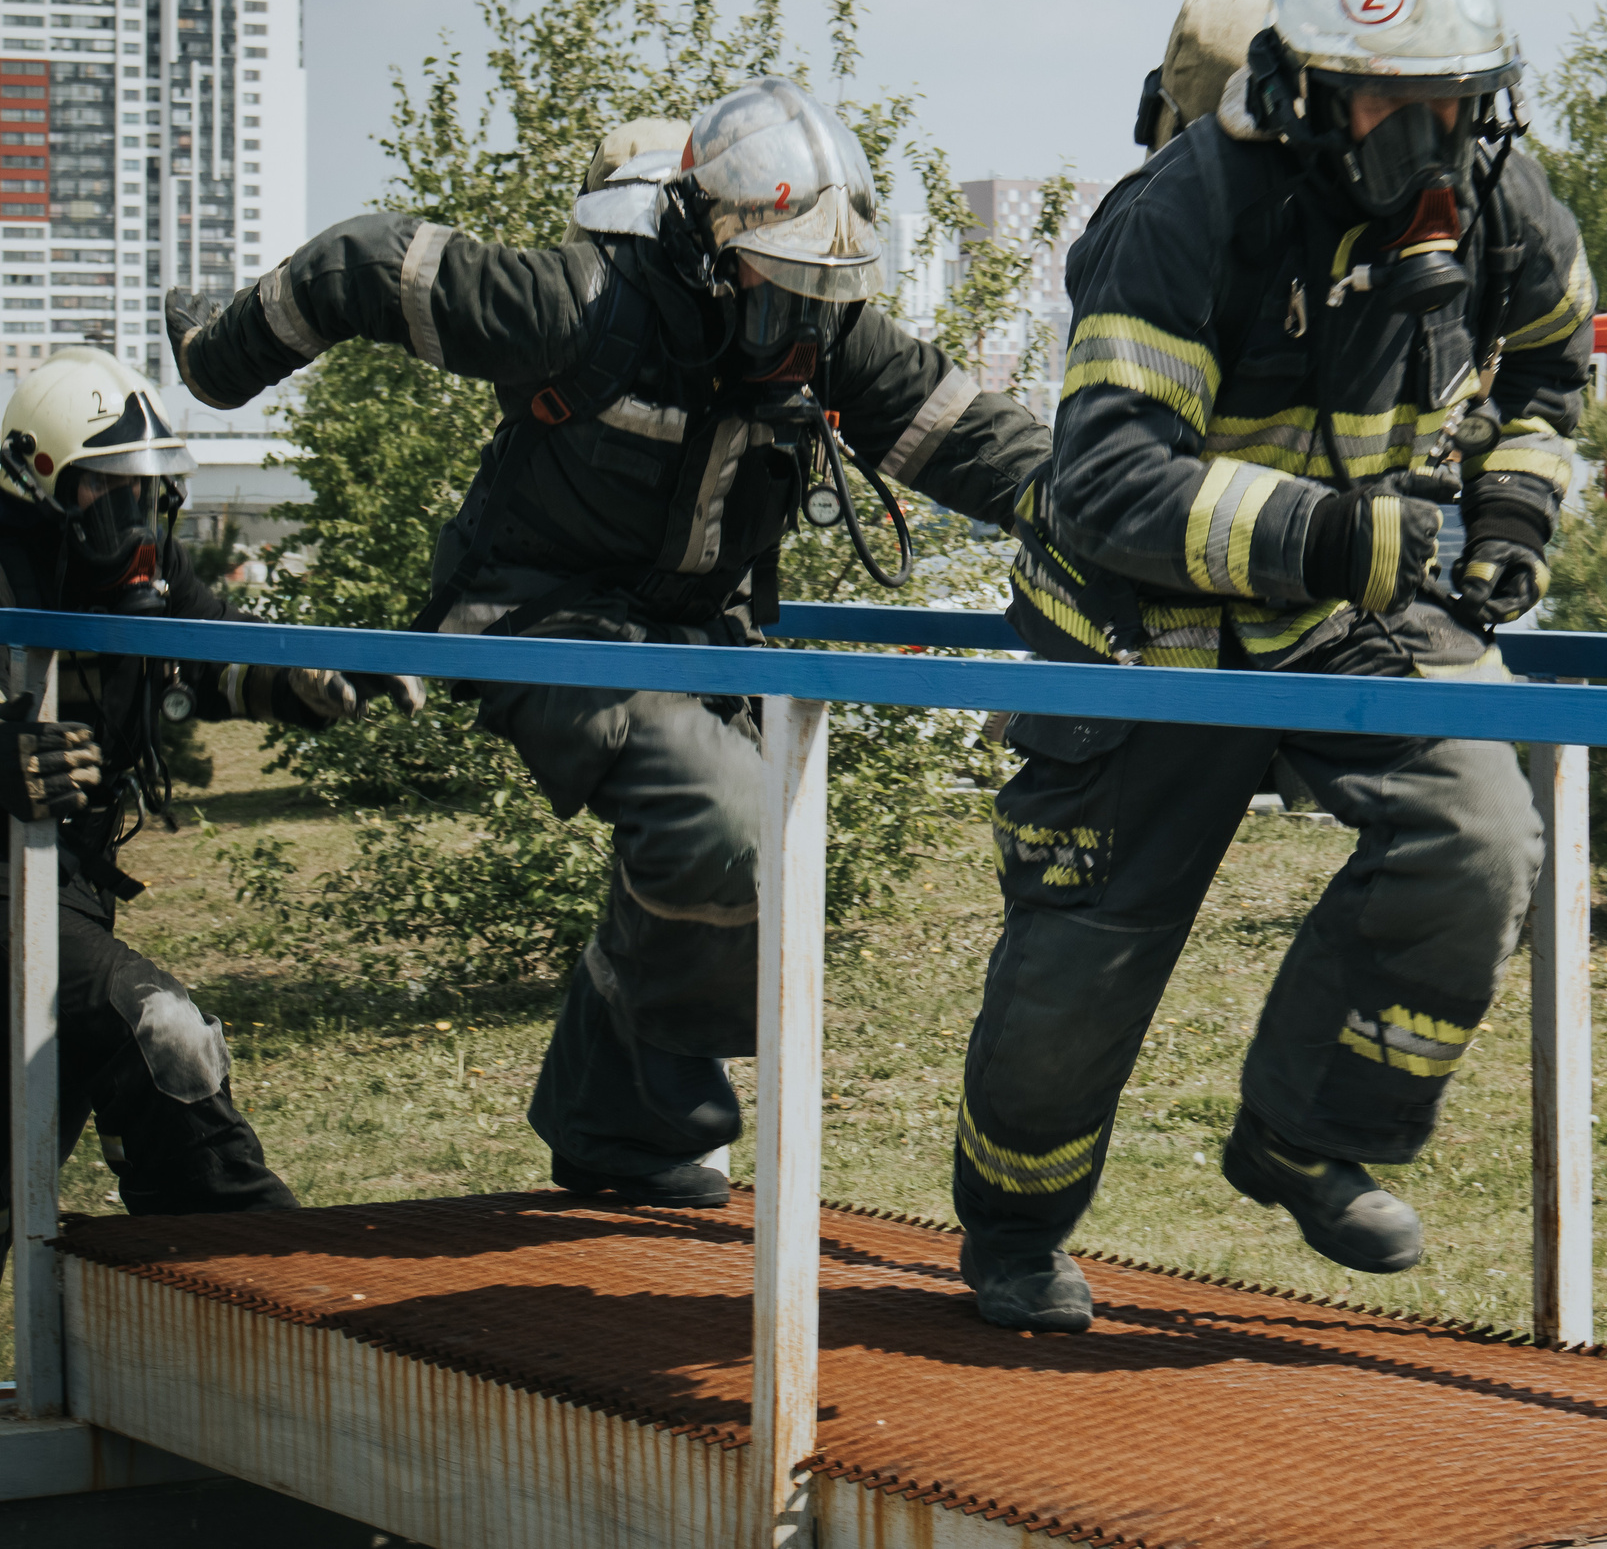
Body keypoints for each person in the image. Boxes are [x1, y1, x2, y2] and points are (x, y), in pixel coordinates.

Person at [165, 79, 1051, 1210]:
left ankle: (616, 1133)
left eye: (825, 292)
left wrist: (1133, 531)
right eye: (779, 289)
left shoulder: (830, 337)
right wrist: (216, 363)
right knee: (730, 825)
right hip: (536, 614)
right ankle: (655, 1103)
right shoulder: (579, 302)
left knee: (734, 850)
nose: (800, 325)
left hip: (694, 640)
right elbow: (365, 266)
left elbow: (989, 446)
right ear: (704, 245)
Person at [951, 0, 1593, 1332]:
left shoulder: (1501, 200)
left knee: (1481, 832)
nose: (1427, 146)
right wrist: (1344, 533)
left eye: (1454, 107)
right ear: (1309, 91)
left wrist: (1509, 516)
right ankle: (1013, 1222)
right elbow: (1108, 481)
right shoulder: (1185, 212)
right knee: (1082, 968)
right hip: (1142, 629)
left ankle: (1308, 1130)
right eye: (1390, 107)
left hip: (1350, 609)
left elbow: (1554, 373)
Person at [1, 347, 425, 1250]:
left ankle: (228, 1300)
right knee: (163, 1029)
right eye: (109, 495)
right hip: (10, 888)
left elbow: (217, 648)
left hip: (63, 890)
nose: (137, 523)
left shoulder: (139, 580)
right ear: (37, 487)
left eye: (149, 495)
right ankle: (265, 1267)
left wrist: (313, 675)